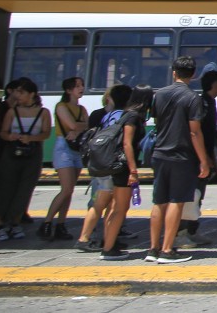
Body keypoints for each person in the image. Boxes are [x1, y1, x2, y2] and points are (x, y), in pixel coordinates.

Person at [146, 56, 210, 264]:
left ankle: (153, 248)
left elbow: (158, 121)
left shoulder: (160, 94)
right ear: (194, 74)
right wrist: (203, 160)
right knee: (177, 201)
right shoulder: (193, 98)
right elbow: (194, 133)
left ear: (174, 72)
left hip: (160, 152)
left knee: (159, 201)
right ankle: (167, 249)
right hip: (182, 155)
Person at [0, 78, 49, 241]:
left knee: (25, 188)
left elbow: (46, 133)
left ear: (32, 94)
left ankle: (16, 223)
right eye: (16, 91)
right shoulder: (12, 111)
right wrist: (11, 136)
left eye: (21, 92)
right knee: (5, 187)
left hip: (33, 153)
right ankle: (1, 224)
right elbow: (3, 132)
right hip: (11, 152)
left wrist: (31, 138)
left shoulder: (43, 112)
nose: (17, 95)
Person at [76, 84, 132, 251]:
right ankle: (95, 239)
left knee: (100, 203)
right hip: (112, 164)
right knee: (111, 204)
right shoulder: (124, 116)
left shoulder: (107, 115)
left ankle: (92, 238)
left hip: (101, 161)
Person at [100, 85, 152, 261]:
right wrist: (133, 170)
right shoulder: (132, 117)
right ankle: (108, 248)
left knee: (115, 207)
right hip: (124, 167)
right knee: (120, 209)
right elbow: (127, 144)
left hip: (119, 166)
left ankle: (108, 242)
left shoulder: (126, 114)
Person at [179, 69, 217, 248]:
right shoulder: (202, 103)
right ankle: (181, 233)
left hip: (204, 155)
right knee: (192, 195)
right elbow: (198, 132)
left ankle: (191, 230)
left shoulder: (209, 102)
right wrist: (204, 157)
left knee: (198, 195)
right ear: (215, 84)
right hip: (198, 157)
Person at [43, 76, 87, 241]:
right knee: (66, 188)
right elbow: (74, 125)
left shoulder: (82, 108)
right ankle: (47, 222)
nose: (81, 88)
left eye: (81, 85)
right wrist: (78, 127)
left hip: (77, 148)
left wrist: (77, 128)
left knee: (70, 190)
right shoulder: (61, 106)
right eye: (77, 86)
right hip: (64, 148)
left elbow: (87, 126)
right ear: (68, 90)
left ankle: (61, 224)